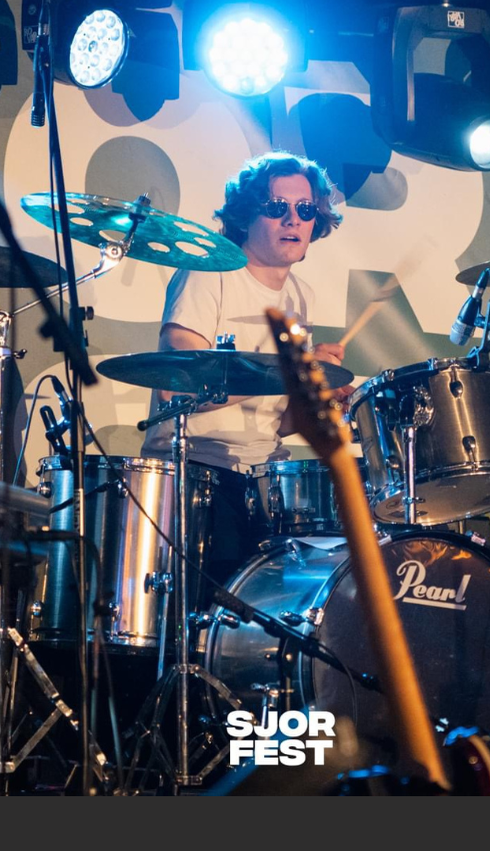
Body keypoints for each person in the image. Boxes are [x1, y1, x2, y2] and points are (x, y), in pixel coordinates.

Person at [141, 151, 347, 582]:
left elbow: (278, 421)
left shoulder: (299, 297)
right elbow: (178, 390)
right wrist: (285, 371)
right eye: (277, 207)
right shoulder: (207, 274)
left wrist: (317, 393)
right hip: (197, 475)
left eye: (305, 209)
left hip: (265, 481)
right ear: (245, 216)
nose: (293, 220)